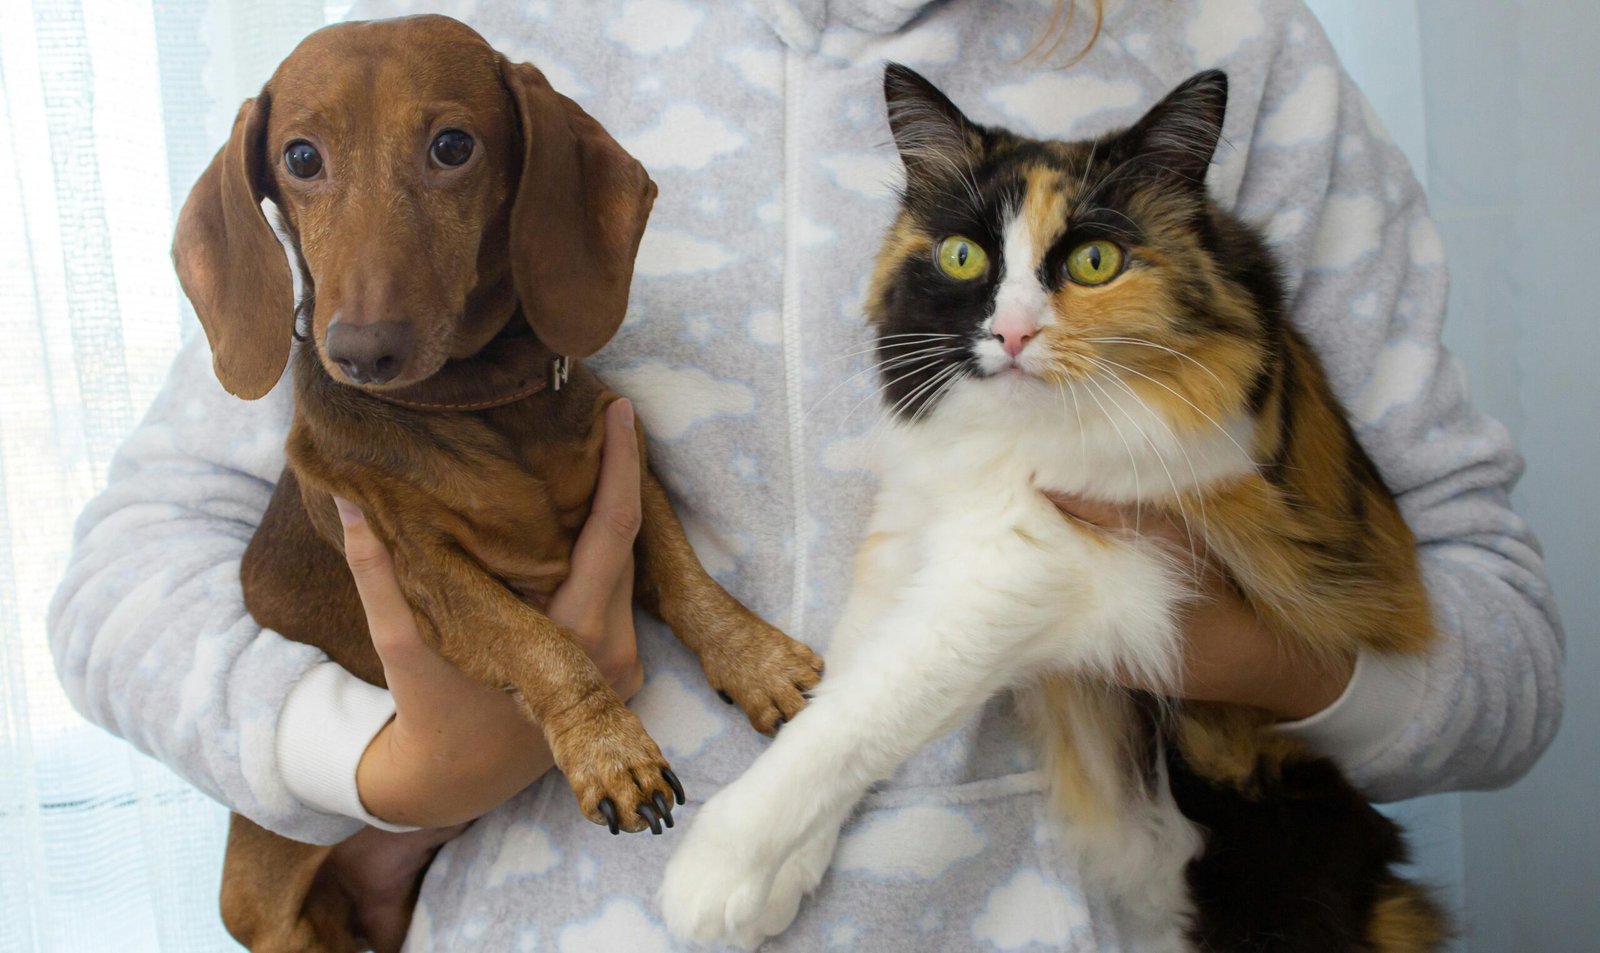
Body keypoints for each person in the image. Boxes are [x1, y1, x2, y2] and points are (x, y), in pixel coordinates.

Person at [49, 0, 1562, 949]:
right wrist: (383, 764)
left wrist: (1216, 641)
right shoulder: (463, 69)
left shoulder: (1228, 48)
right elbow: (123, 588)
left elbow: (1503, 656)